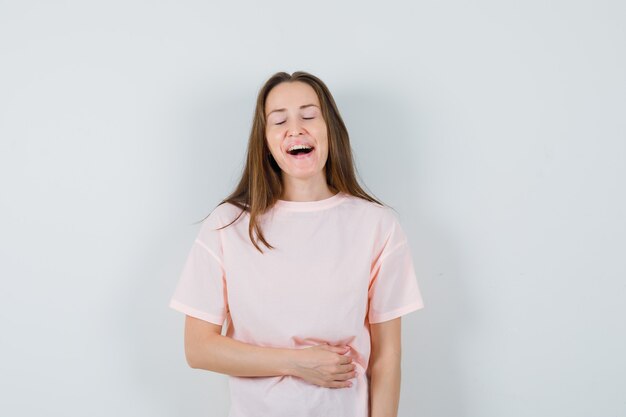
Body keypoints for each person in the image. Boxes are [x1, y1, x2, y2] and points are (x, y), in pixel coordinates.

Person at [168, 70, 425, 417]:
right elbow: (198, 349)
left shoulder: (377, 225)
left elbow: (387, 356)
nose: (295, 128)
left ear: (329, 129)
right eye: (279, 120)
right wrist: (297, 363)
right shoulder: (228, 225)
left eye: (308, 115)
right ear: (266, 140)